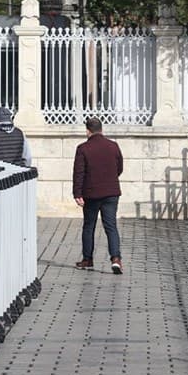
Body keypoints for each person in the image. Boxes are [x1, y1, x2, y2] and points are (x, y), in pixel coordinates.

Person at [72, 117, 124, 274]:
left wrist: (77, 193)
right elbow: (119, 168)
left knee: (89, 226)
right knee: (111, 226)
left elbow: (79, 173)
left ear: (87, 131)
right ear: (101, 130)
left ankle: (88, 259)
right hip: (111, 192)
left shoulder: (83, 148)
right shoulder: (113, 146)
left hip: (91, 194)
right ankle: (116, 259)